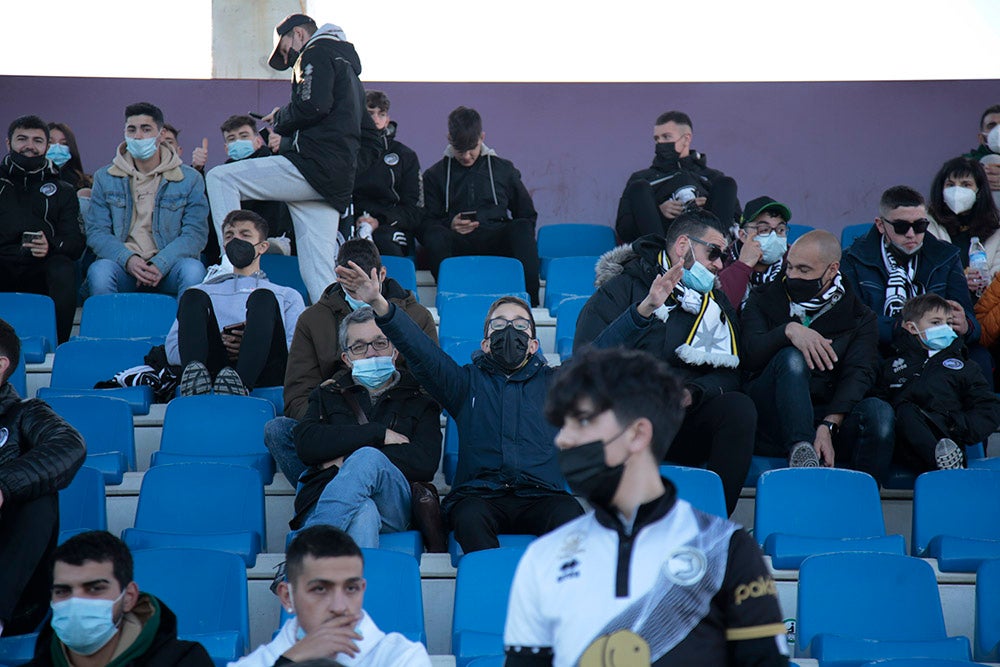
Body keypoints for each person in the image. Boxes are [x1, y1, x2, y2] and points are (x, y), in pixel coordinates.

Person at [504, 346, 790, 667]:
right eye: (563, 424)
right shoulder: (542, 559)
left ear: (638, 434)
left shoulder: (729, 551)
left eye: (582, 421)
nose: (563, 440)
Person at [338, 260, 584, 553]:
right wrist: (380, 304)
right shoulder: (464, 383)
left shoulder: (555, 383)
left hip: (544, 495)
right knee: (468, 519)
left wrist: (643, 312)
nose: (509, 330)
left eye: (520, 325)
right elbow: (422, 351)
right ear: (485, 343)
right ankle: (486, 591)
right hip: (481, 496)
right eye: (499, 324)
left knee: (574, 521)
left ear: (533, 345)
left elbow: (602, 356)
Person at [573, 210, 754, 515]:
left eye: (724, 256)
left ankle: (714, 518)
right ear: (683, 246)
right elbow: (586, 361)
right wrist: (642, 312)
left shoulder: (715, 303)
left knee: (739, 409)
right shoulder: (621, 288)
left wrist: (693, 391)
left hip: (684, 418)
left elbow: (732, 375)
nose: (720, 265)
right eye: (713, 253)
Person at [205, 13, 379, 303]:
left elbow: (313, 105)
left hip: (311, 168)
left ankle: (229, 264)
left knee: (220, 177)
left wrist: (283, 118)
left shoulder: (315, 51)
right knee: (320, 277)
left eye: (286, 50)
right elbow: (372, 139)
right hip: (331, 184)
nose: (288, 60)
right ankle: (345, 331)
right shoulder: (349, 71)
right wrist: (344, 172)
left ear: (298, 34)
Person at [265, 239, 436, 485]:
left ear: (382, 274)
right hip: (335, 422)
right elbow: (298, 396)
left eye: (364, 282)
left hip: (395, 423)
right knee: (279, 430)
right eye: (350, 285)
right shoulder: (312, 319)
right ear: (338, 277)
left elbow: (431, 385)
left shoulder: (417, 316)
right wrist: (350, 435)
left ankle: (323, 506)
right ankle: (324, 496)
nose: (360, 292)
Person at [740, 231, 893, 477]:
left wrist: (829, 426)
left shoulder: (860, 317)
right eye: (789, 266)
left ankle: (860, 501)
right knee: (792, 357)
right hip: (773, 414)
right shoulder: (762, 297)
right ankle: (800, 451)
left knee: (879, 413)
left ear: (832, 270)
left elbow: (859, 374)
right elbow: (749, 355)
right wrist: (788, 331)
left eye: (804, 270)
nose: (792, 276)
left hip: (827, 414)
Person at [290, 307, 441, 548]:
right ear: (347, 360)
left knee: (368, 457)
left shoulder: (419, 399)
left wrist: (348, 455)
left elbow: (424, 461)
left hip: (393, 504)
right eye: (359, 347)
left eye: (380, 343)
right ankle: (361, 584)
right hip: (325, 495)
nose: (371, 353)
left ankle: (307, 550)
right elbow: (306, 444)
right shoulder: (327, 393)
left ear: (395, 350)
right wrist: (376, 434)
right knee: (363, 511)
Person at [841, 185, 992, 383]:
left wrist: (966, 325)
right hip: (882, 344)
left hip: (939, 344)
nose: (912, 234)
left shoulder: (945, 255)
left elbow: (970, 320)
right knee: (862, 358)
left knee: (979, 358)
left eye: (920, 225)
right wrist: (902, 328)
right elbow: (853, 319)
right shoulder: (854, 258)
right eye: (901, 227)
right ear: (880, 225)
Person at [235, 525, 431, 667]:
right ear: (287, 597)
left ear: (363, 589)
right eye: (320, 589)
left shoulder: (402, 657)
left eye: (351, 588)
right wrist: (288, 662)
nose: (339, 607)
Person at [0, 318, 86, 637]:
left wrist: (4, 485)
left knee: (39, 496)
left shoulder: (25, 414)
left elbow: (69, 445)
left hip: (16, 596)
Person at [165, 210, 305, 397]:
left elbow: (296, 352)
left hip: (266, 372)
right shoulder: (202, 292)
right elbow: (173, 351)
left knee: (263, 297)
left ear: (262, 247)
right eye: (229, 236)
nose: (236, 241)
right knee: (192, 295)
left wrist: (250, 344)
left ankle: (241, 385)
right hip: (213, 368)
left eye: (245, 235)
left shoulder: (287, 295)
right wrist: (218, 343)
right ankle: (195, 385)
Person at [25, 530, 213, 667]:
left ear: (129, 597)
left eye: (95, 588)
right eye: (63, 591)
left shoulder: (186, 661)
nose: (76, 601)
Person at [84, 102, 208, 297]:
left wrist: (161, 263)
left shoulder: (190, 179)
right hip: (123, 266)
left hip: (170, 267)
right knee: (100, 273)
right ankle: (111, 328)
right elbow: (97, 232)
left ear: (161, 134)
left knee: (193, 271)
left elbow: (195, 234)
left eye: (146, 129)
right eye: (131, 129)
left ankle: (183, 328)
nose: (138, 136)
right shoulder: (104, 177)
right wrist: (129, 260)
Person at [421, 106, 541, 305]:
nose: (467, 156)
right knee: (434, 234)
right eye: (460, 150)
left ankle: (532, 303)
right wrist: (449, 224)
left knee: (522, 228)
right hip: (457, 242)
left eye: (472, 148)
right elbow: (424, 222)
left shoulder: (504, 169)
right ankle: (450, 300)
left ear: (482, 138)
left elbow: (527, 214)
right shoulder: (435, 175)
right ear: (449, 139)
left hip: (497, 238)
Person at [877, 293, 1000, 472]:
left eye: (949, 323)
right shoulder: (892, 366)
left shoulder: (964, 367)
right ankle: (945, 464)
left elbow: (987, 407)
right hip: (903, 444)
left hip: (949, 435)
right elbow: (877, 403)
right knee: (905, 411)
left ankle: (946, 458)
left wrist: (958, 426)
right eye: (936, 323)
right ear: (912, 328)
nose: (945, 328)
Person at [0, 115, 85, 342]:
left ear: (46, 146)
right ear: (9, 144)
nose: (29, 146)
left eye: (38, 140)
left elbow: (75, 243)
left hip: (40, 267)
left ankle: (59, 347)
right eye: (22, 139)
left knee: (63, 268)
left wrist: (50, 245)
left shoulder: (64, 189)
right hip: (3, 264)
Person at [615, 110, 739, 244]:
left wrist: (709, 208)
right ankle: (659, 257)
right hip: (663, 241)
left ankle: (716, 251)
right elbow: (624, 230)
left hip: (705, 243)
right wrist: (658, 211)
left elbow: (737, 221)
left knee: (727, 183)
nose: (660, 143)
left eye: (666, 137)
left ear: (686, 139)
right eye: (656, 139)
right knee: (639, 186)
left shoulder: (712, 177)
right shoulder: (643, 178)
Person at [351, 91, 421, 258]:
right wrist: (356, 219)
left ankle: (391, 285)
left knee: (384, 240)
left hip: (390, 226)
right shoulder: (346, 152)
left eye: (381, 114)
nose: (376, 119)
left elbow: (414, 211)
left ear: (387, 119)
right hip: (351, 221)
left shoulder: (405, 155)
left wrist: (380, 220)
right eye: (370, 113)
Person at [926, 156, 1000, 295]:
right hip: (943, 306)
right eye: (950, 185)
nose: (957, 191)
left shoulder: (996, 228)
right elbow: (927, 272)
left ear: (979, 191)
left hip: (986, 306)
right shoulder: (926, 224)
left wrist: (983, 281)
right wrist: (959, 280)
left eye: (966, 185)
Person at [718, 196, 791, 309]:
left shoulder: (794, 264)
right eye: (764, 230)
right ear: (742, 235)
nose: (774, 237)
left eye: (780, 230)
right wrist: (743, 266)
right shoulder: (720, 262)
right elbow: (719, 308)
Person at [963, 104, 1000, 208]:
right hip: (981, 217)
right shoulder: (966, 163)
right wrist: (977, 176)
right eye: (992, 126)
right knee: (991, 159)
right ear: (981, 138)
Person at [46, 122, 92, 193]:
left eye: (64, 143)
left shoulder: (83, 183)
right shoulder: (27, 180)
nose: (57, 148)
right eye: (50, 142)